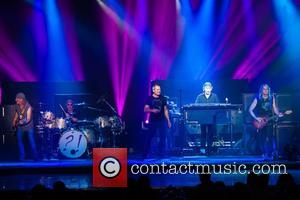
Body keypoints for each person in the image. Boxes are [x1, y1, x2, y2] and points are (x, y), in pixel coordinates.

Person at [249, 84, 283, 159]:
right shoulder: (258, 98)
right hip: (261, 122)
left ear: (269, 89)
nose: (265, 90)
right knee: (262, 138)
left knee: (270, 137)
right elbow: (250, 109)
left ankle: (271, 154)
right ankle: (264, 154)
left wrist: (278, 114)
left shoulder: (271, 98)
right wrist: (256, 118)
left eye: (267, 89)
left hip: (270, 120)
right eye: (264, 89)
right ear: (261, 90)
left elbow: (274, 108)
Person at [144, 83, 171, 158]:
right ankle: (145, 153)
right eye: (157, 89)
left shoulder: (163, 98)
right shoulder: (149, 98)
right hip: (153, 120)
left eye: (160, 89)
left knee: (163, 137)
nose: (159, 91)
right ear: (153, 90)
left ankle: (161, 154)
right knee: (149, 137)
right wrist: (152, 110)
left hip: (162, 120)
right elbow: (145, 109)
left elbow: (165, 110)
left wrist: (168, 121)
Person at [195, 82, 219, 155]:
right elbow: (195, 106)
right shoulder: (199, 97)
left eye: (209, 88)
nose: (208, 89)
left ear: (211, 88)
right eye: (206, 88)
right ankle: (202, 150)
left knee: (210, 134)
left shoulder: (215, 96)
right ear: (203, 89)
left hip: (211, 119)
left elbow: (218, 107)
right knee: (203, 134)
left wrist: (213, 115)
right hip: (203, 118)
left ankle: (209, 150)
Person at [13, 93, 38, 161]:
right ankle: (22, 157)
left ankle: (35, 157)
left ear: (21, 99)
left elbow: (28, 119)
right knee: (20, 142)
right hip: (20, 128)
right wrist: (14, 121)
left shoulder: (28, 106)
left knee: (31, 141)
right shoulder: (17, 106)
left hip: (29, 127)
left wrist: (21, 122)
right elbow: (16, 115)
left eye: (17, 99)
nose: (16, 100)